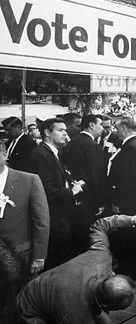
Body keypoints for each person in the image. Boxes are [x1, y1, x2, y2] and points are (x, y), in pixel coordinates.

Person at [15, 214, 136, 324]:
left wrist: (132, 219)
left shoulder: (101, 255)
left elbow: (100, 225)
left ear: (112, 275)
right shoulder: (74, 313)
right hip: (29, 310)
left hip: (60, 290)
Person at [25, 118, 83, 269]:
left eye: (65, 130)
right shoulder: (41, 155)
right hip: (51, 219)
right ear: (47, 132)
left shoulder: (51, 152)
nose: (65, 133)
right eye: (60, 130)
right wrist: (72, 191)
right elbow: (45, 191)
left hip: (58, 216)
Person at [0, 141, 49, 279]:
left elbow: (41, 221)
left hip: (19, 254)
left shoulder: (29, 180)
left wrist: (39, 256)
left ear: (5, 155)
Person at [61, 114, 105, 254]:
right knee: (87, 236)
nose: (102, 129)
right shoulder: (93, 145)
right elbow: (95, 176)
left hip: (73, 195)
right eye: (100, 125)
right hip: (89, 199)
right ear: (91, 125)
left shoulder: (72, 143)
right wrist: (99, 201)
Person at [107, 117, 136, 215]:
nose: (116, 131)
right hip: (135, 197)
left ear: (123, 128)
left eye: (117, 128)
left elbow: (125, 178)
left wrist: (117, 201)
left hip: (127, 200)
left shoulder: (129, 147)